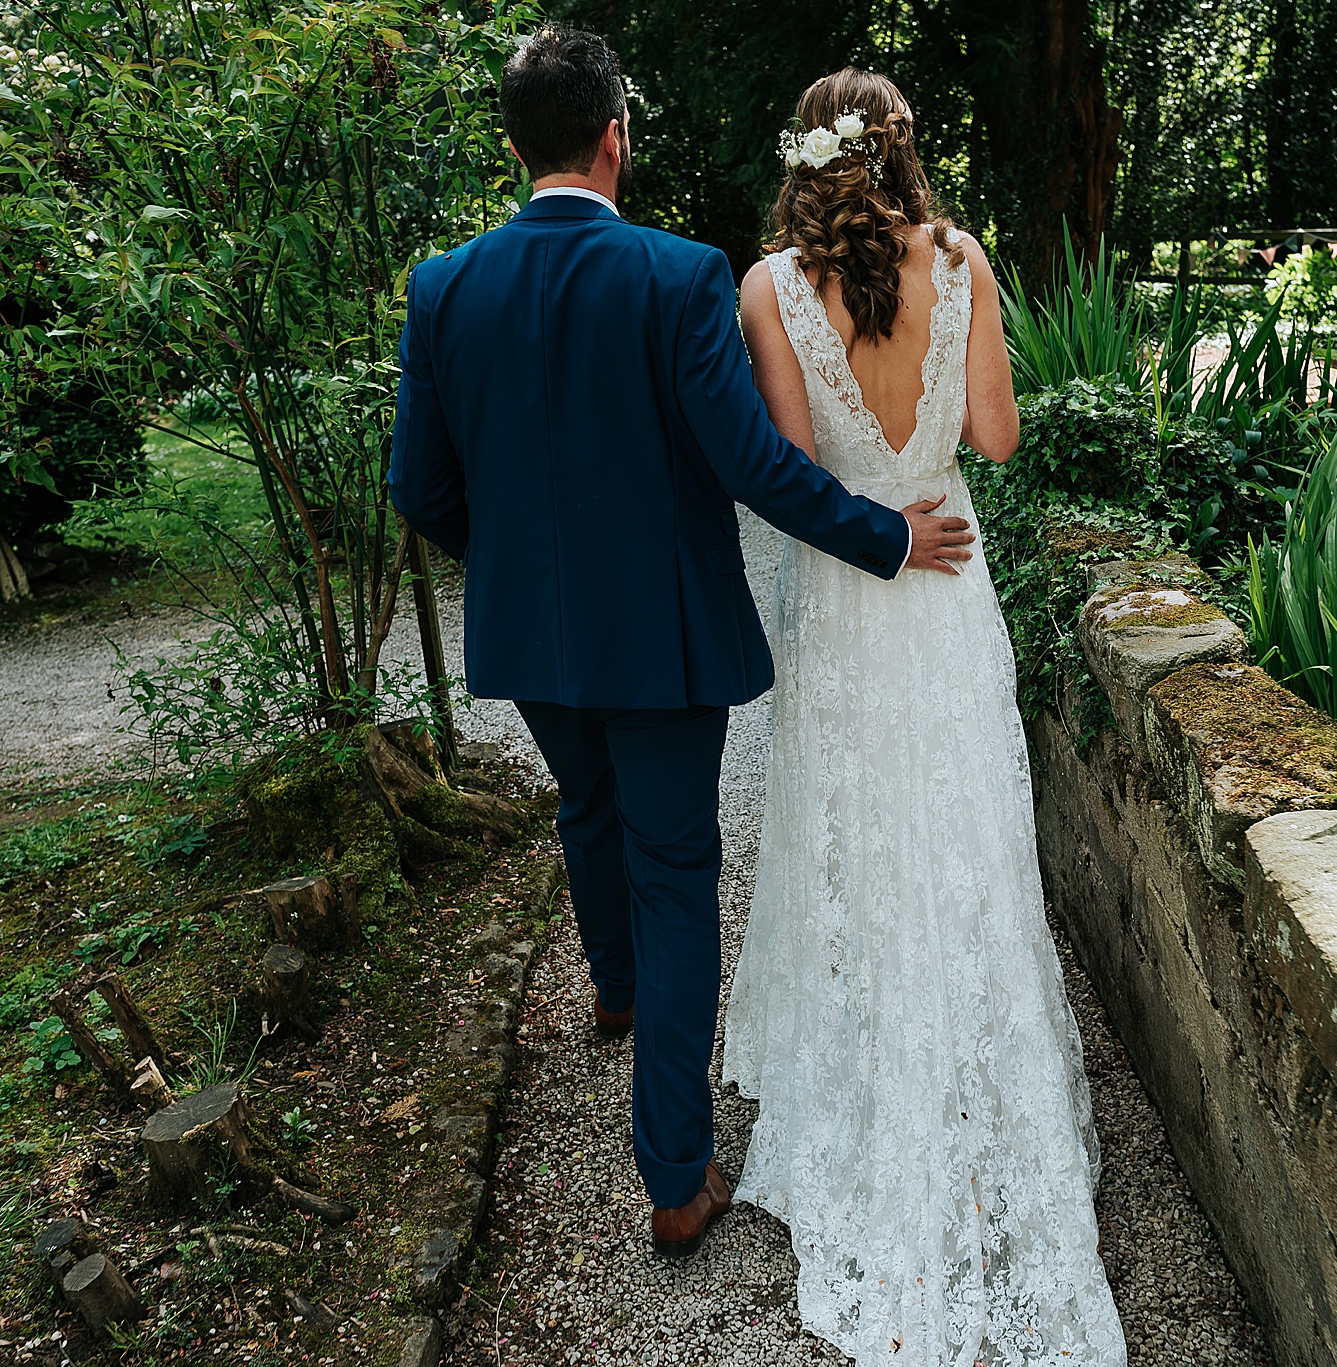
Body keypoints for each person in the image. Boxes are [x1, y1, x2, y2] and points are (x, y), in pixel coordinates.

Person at [386, 27, 975, 1261]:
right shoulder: (675, 273)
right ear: (615, 138)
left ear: (515, 145)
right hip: (659, 639)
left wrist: (510, 572)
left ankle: (611, 988)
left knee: (583, 812)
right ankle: (670, 1173)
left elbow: (422, 490)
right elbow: (752, 464)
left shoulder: (442, 286)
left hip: (529, 641)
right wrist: (881, 537)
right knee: (672, 868)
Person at [721, 68, 1129, 1366]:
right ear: (903, 148)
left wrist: (870, 495)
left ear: (807, 155)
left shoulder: (773, 288)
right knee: (962, 836)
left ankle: (874, 1078)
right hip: (949, 584)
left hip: (853, 597)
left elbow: (791, 477)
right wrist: (929, 422)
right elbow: (996, 437)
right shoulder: (961, 260)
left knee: (857, 838)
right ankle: (966, 1079)